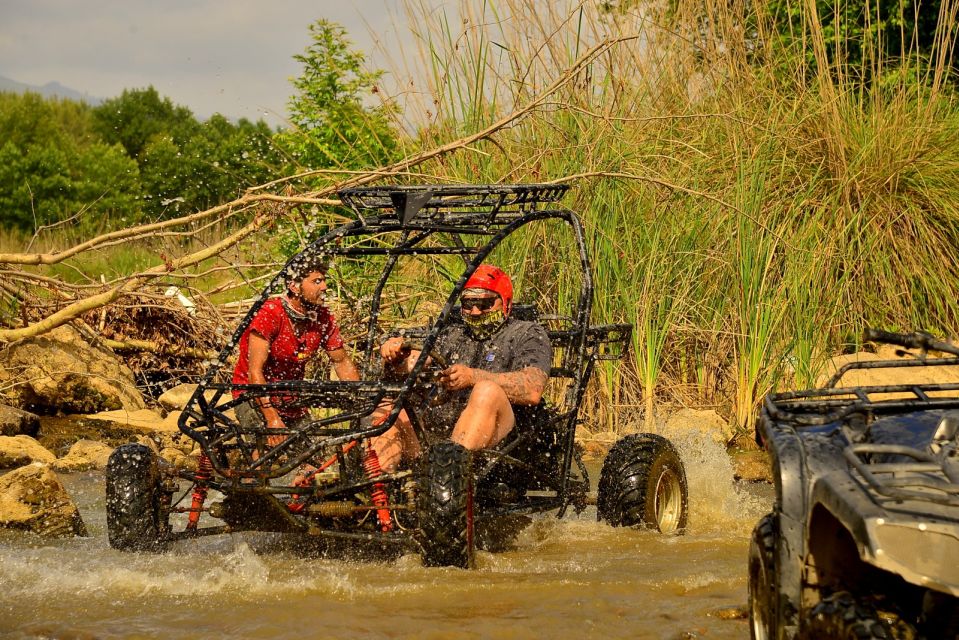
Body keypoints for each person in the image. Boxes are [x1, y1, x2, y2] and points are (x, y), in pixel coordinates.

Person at [373, 264, 553, 470]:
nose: (475, 311)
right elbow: (416, 359)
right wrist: (396, 354)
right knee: (390, 406)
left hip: (502, 439)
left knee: (486, 390)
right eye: (468, 304)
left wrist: (473, 377)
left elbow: (533, 389)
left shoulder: (526, 333)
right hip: (432, 437)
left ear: (505, 303)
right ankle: (377, 486)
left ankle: (448, 471)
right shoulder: (452, 333)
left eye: (485, 303)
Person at [232, 254, 359, 445]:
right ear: (294, 286)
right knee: (272, 452)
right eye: (317, 281)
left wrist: (360, 398)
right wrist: (272, 418)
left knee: (315, 451)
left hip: (290, 397)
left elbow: (341, 361)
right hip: (252, 395)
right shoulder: (270, 314)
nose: (324, 287)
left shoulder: (322, 317)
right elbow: (254, 372)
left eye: (324, 280)